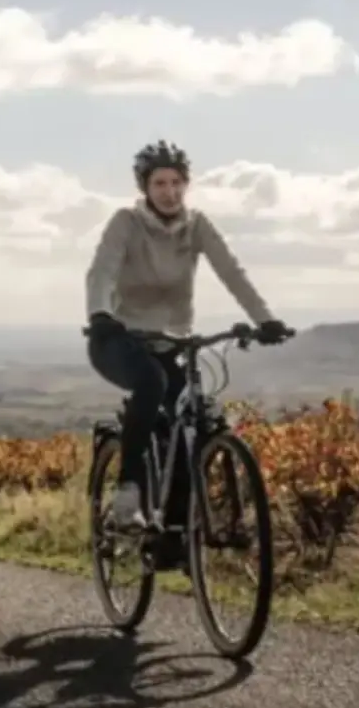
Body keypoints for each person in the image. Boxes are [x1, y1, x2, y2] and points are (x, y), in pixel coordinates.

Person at [84, 140, 291, 561]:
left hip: (171, 340)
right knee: (152, 383)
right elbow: (101, 271)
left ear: (186, 185)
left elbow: (232, 272)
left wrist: (265, 319)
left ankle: (173, 536)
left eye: (176, 182)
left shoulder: (197, 226)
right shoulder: (126, 223)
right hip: (118, 338)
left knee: (194, 420)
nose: (169, 192)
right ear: (145, 187)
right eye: (160, 183)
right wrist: (100, 313)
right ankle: (127, 495)